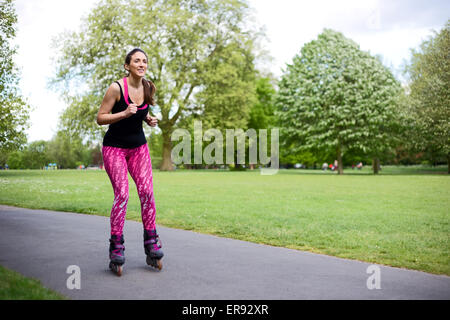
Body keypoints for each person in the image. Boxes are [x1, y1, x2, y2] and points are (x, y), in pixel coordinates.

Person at [97, 48, 163, 275]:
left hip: (138, 148)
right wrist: (123, 114)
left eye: (145, 61)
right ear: (127, 66)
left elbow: (140, 111)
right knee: (123, 194)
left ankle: (151, 241)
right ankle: (116, 245)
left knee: (146, 191)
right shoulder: (116, 88)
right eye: (137, 61)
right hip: (114, 148)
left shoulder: (148, 87)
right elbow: (100, 117)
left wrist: (148, 119)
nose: (142, 64)